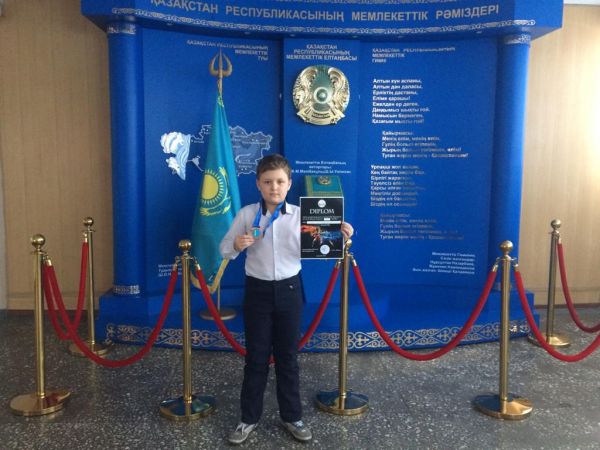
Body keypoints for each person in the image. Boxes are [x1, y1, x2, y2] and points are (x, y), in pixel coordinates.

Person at [220, 154, 353, 445]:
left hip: (290, 291)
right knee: (255, 358)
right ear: (258, 184)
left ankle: (292, 416)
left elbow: (325, 245)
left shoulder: (302, 215)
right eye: (268, 182)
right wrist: (236, 244)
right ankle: (248, 419)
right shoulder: (246, 215)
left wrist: (341, 234)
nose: (274, 187)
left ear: (289, 183)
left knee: (288, 358)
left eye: (280, 181)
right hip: (257, 292)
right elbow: (224, 249)